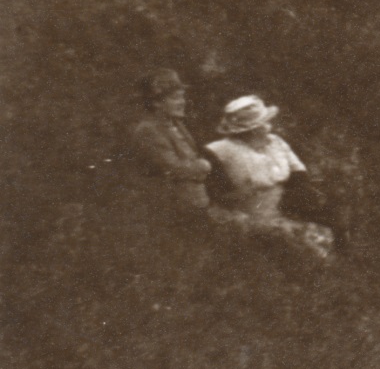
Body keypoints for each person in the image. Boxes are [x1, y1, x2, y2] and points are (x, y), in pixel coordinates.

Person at [203, 93, 335, 257]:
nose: (269, 127)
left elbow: (299, 175)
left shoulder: (275, 142)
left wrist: (300, 201)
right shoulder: (219, 151)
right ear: (248, 130)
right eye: (263, 123)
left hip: (287, 210)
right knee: (297, 249)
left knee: (327, 234)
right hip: (249, 217)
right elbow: (215, 194)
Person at [127, 69, 211, 210]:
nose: (182, 102)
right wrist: (202, 166)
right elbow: (173, 169)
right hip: (170, 209)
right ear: (156, 103)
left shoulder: (176, 124)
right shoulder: (148, 130)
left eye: (182, 97)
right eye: (176, 98)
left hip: (193, 205)